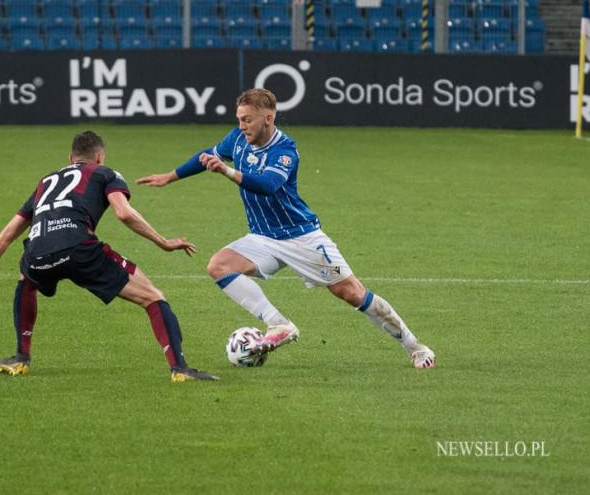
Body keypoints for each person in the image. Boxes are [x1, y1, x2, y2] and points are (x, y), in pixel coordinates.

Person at [137, 88, 435, 369]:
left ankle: (414, 346)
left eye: (247, 119)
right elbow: (207, 154)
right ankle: (278, 323)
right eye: (239, 119)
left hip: (301, 237)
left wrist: (226, 170)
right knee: (219, 265)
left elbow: (268, 185)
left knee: (352, 293)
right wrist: (170, 176)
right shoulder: (237, 140)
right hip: (263, 237)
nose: (242, 126)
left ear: (268, 117)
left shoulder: (285, 150)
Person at [0, 130, 218, 382]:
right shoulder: (105, 173)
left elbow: (3, 239)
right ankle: (180, 368)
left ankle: (21, 357)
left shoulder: (45, 183)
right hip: (79, 248)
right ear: (99, 157)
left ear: (69, 158)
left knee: (26, 275)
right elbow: (123, 213)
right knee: (153, 297)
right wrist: (164, 242)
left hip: (38, 254)